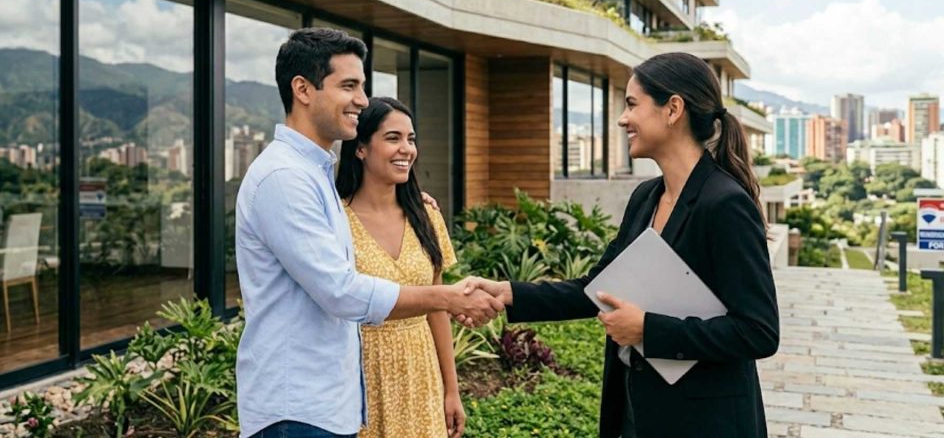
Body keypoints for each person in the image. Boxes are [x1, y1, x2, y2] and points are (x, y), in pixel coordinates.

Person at [462, 52, 779, 437]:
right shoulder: (646, 198)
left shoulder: (724, 204)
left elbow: (758, 331)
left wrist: (648, 329)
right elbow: (597, 290)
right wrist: (507, 293)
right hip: (636, 412)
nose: (622, 118)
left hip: (704, 422)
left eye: (632, 104)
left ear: (673, 109)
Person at [235, 28, 502, 438]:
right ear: (303, 89)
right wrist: (447, 297)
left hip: (327, 405)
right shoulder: (285, 178)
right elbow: (340, 291)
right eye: (349, 86)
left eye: (362, 86)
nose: (362, 99)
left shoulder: (314, 173)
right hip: (297, 412)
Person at [336, 97, 465, 438]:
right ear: (361, 148)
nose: (406, 148)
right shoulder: (335, 221)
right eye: (393, 138)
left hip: (421, 374)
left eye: (411, 139)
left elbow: (438, 306)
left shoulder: (427, 216)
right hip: (360, 375)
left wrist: (451, 390)